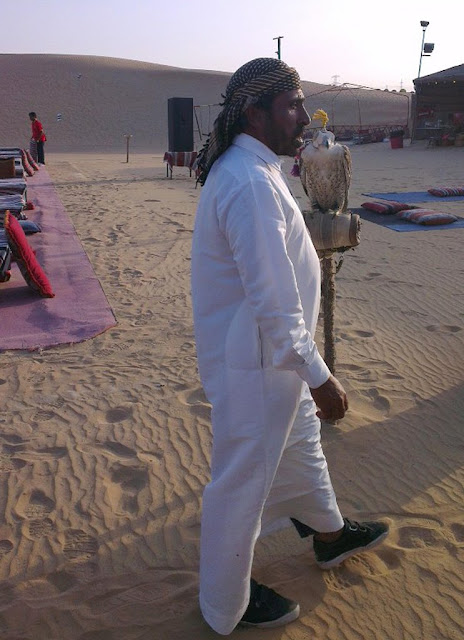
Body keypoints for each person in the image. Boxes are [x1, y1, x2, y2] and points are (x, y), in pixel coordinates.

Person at [191, 58, 389, 635]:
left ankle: (329, 534)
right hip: (258, 362)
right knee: (241, 482)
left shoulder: (256, 168)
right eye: (293, 105)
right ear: (255, 114)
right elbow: (274, 302)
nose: (304, 116)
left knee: (300, 446)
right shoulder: (249, 183)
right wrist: (321, 377)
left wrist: (304, 371)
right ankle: (223, 603)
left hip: (275, 360)